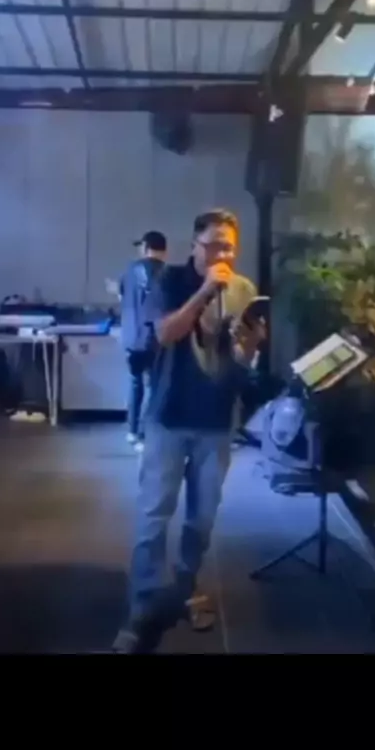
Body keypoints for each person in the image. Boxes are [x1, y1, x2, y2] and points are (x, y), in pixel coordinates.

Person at [113, 208, 266, 653]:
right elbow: (165, 333)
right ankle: (143, 605)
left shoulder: (243, 290)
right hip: (168, 416)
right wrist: (203, 291)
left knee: (201, 519)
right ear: (195, 245)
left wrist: (252, 345)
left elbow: (241, 361)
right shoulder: (170, 280)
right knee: (153, 515)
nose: (223, 254)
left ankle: (184, 588)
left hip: (216, 420)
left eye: (229, 247)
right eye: (214, 244)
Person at [119, 230, 168, 451]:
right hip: (154, 338)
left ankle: (132, 431)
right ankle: (144, 433)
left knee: (135, 382)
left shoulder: (130, 270)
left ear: (146, 248)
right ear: (164, 251)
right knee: (155, 386)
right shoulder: (166, 273)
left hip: (131, 338)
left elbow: (122, 295)